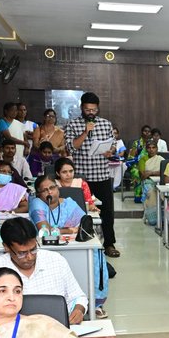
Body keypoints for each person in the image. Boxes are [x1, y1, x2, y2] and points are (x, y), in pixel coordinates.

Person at [0, 218, 89, 324]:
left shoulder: (56, 261)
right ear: (6, 247)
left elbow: (78, 297)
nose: (30, 257)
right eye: (22, 253)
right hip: (11, 334)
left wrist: (79, 310)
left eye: (33, 249)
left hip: (56, 331)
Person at [63, 91, 120, 258]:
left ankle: (109, 244)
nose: (91, 113)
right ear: (82, 108)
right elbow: (72, 147)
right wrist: (86, 132)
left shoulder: (106, 124)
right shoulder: (73, 125)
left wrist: (110, 151)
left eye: (94, 110)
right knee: (80, 212)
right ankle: (82, 243)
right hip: (82, 178)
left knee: (107, 212)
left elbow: (113, 144)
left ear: (98, 109)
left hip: (102, 175)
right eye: (88, 109)